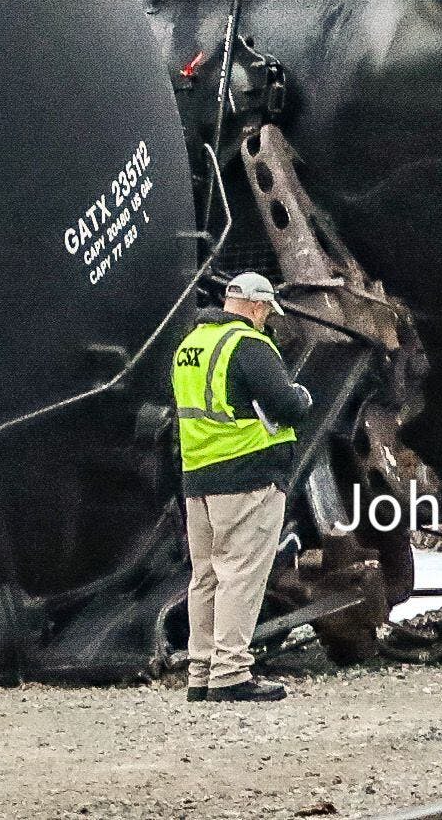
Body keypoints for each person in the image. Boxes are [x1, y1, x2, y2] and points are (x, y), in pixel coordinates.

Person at [174, 270, 313, 702]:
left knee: (206, 577)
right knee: (240, 575)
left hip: (198, 478)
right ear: (256, 306)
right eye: (266, 312)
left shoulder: (189, 346)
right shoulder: (248, 344)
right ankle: (232, 672)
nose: (266, 320)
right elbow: (288, 405)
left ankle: (201, 672)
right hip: (247, 477)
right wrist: (303, 397)